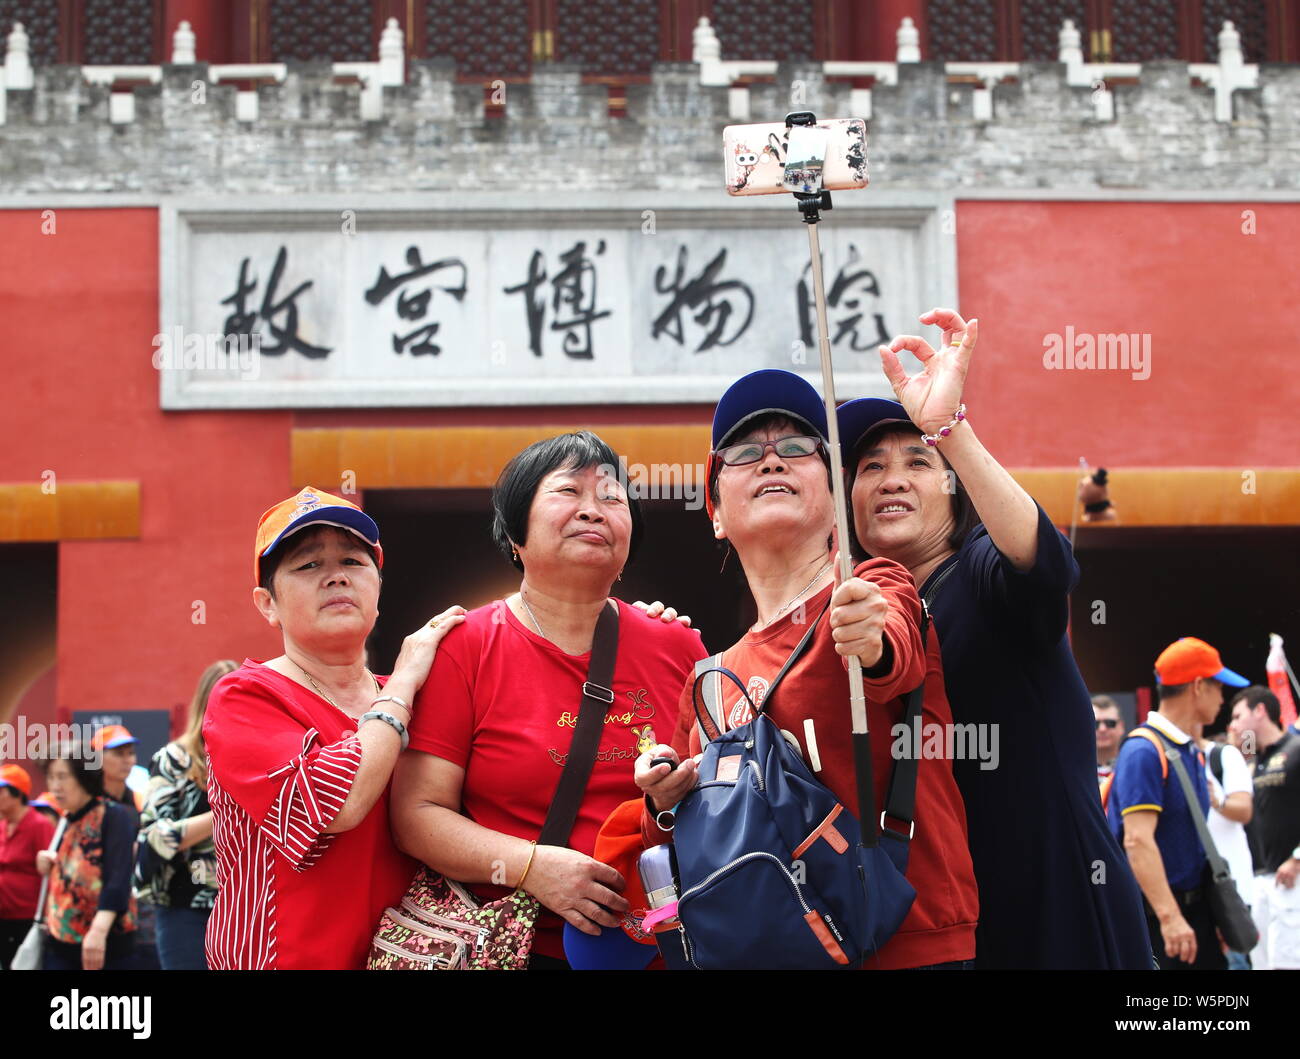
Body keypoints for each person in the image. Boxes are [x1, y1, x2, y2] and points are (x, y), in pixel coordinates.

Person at [835, 307, 1151, 969]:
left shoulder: (980, 571)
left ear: (953, 491)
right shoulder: (861, 619)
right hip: (938, 928)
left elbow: (1044, 566)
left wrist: (950, 431)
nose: (891, 478)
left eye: (917, 462)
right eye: (869, 467)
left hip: (1056, 918)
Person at [636, 371, 979, 969]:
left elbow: (892, 653)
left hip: (908, 947)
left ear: (834, 499)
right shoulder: (709, 680)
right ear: (715, 512)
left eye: (797, 449)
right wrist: (661, 798)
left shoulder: (876, 585)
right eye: (745, 454)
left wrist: (871, 639)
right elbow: (677, 838)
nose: (772, 461)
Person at [392, 431, 704, 969]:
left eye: (612, 498)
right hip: (515, 948)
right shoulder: (466, 648)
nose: (593, 510)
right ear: (516, 532)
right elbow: (417, 814)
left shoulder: (678, 644)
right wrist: (532, 867)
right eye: (568, 492)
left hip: (663, 948)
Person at [203, 486, 466, 969]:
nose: (336, 577)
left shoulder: (416, 694)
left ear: (378, 587)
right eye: (308, 566)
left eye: (353, 562)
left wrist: (625, 635)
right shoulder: (245, 697)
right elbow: (334, 805)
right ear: (267, 604)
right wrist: (405, 681)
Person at [1109, 637, 1248, 970]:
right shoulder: (1144, 751)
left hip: (1193, 917)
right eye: (1218, 685)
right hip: (1161, 924)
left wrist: (1213, 918)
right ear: (1198, 686)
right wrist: (1170, 918)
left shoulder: (1189, 751)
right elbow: (1137, 840)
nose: (1223, 697)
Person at [137, 659, 238, 970]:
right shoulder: (174, 760)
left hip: (246, 908)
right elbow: (154, 837)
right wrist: (222, 814)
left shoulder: (256, 757)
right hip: (187, 909)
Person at [38, 742, 138, 970]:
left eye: (62, 777)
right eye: (51, 777)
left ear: (83, 777)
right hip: (61, 943)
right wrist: (48, 863)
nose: (55, 786)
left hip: (104, 946)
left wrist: (99, 931)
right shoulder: (66, 818)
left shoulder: (113, 816)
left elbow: (118, 878)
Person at [1229, 685, 1300, 969]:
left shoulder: (1296, 750)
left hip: (1291, 878)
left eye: (1237, 716)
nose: (1232, 724)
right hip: (1260, 880)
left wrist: (1297, 858)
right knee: (1262, 964)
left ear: (1260, 711)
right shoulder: (1254, 762)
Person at [1195, 724, 1254, 969]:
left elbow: (1244, 811)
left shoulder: (1223, 755)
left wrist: (1215, 800)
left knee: (1235, 962)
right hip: (1189, 896)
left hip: (1229, 891)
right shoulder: (1156, 755)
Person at [0, 763, 55, 968]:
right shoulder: (2, 826)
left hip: (29, 916)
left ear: (17, 793)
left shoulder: (38, 825)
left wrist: (49, 914)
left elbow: (51, 871)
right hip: (3, 915)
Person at [1093, 694, 1125, 784]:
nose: (1102, 729)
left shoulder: (1132, 766)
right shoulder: (1075, 770)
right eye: (1095, 724)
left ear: (1121, 727)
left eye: (1110, 723)